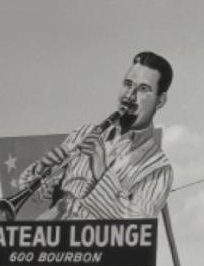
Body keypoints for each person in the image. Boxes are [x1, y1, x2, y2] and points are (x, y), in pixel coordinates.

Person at [19, 51, 174, 220]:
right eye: (128, 84)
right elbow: (37, 195)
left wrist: (101, 170)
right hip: (50, 238)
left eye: (143, 89)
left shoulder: (159, 169)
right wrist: (43, 169)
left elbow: (138, 222)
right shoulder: (83, 133)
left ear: (160, 101)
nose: (129, 96)